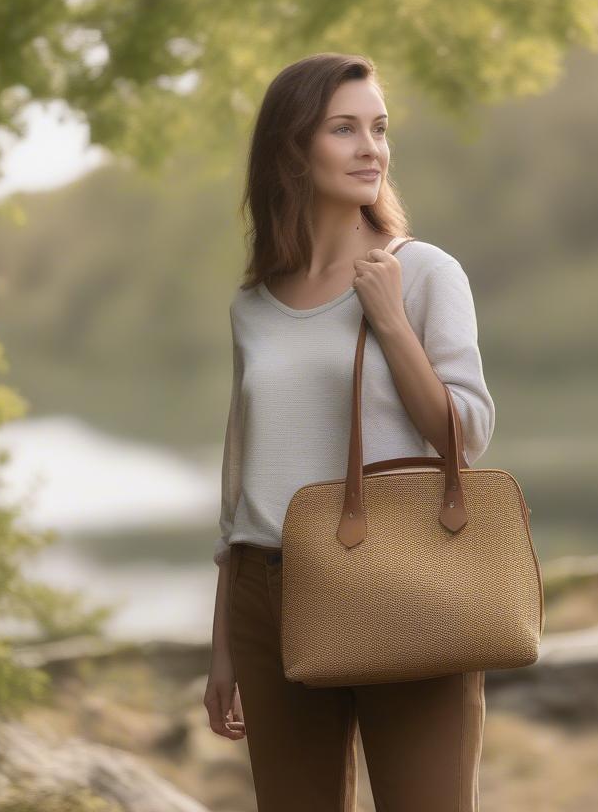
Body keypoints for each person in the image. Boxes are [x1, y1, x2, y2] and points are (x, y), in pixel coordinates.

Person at [203, 52, 496, 811]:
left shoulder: (424, 271)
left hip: (401, 583)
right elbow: (241, 484)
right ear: (291, 150)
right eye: (344, 129)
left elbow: (464, 437)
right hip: (269, 596)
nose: (372, 148)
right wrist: (225, 648)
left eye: (380, 128)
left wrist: (392, 322)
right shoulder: (255, 305)